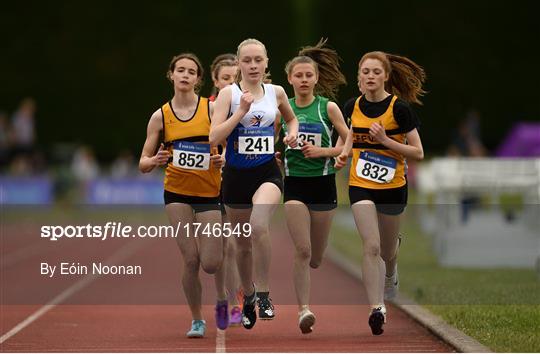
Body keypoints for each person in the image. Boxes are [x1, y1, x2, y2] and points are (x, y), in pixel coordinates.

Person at [210, 38, 299, 330]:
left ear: (266, 62)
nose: (252, 65)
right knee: (242, 246)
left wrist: (291, 134)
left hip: (267, 173)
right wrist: (239, 112)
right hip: (235, 178)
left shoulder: (277, 92)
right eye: (246, 60)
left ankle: (263, 294)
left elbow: (291, 119)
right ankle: (247, 296)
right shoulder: (228, 94)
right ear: (239, 64)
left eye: (257, 60)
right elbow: (213, 137)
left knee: (258, 225)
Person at [335, 51, 425, 335]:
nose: (370, 76)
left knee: (386, 250)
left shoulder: (400, 109)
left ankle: (391, 268)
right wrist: (343, 154)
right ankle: (377, 308)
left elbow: (418, 152)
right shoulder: (352, 106)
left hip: (393, 186)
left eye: (376, 72)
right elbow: (349, 136)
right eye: (365, 71)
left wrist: (386, 141)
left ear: (385, 76)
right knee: (371, 246)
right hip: (361, 184)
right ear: (359, 76)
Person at [139, 53, 227, 338]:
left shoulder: (211, 110)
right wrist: (154, 161)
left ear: (198, 79)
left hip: (209, 193)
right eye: (181, 70)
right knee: (190, 259)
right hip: (176, 193)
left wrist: (221, 158)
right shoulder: (160, 116)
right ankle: (197, 319)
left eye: (191, 71)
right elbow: (142, 161)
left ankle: (223, 296)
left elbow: (228, 146)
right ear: (172, 75)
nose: (186, 75)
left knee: (211, 263)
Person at [277, 39, 348, 334]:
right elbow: (269, 142)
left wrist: (329, 153)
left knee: (317, 258)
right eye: (299, 75)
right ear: (290, 79)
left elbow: (348, 140)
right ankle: (303, 310)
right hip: (294, 186)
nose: (304, 80)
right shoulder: (283, 109)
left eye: (309, 75)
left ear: (316, 78)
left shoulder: (327, 107)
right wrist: (278, 153)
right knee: (303, 251)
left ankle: (317, 258)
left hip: (323, 185)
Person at [209, 53, 244, 326]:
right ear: (215, 80)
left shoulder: (249, 108)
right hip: (209, 186)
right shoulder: (205, 108)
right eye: (225, 79)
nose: (231, 84)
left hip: (237, 180)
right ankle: (223, 298)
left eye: (235, 78)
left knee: (233, 246)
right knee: (221, 248)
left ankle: (233, 300)